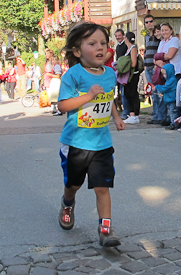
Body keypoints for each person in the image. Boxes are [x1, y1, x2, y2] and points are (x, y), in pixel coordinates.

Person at [57, 22, 125, 247]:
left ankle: (105, 229)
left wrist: (116, 117)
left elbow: (108, 98)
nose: (100, 48)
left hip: (101, 143)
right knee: (73, 185)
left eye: (103, 43)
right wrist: (87, 96)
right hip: (76, 142)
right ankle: (68, 203)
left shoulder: (109, 73)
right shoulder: (73, 75)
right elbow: (63, 106)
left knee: (102, 187)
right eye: (92, 43)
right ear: (77, 51)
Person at [143, 15, 165, 124]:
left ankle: (161, 116)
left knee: (159, 92)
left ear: (154, 22)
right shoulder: (146, 36)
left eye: (151, 21)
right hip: (148, 67)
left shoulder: (158, 35)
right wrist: (144, 65)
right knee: (153, 93)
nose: (149, 24)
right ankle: (155, 115)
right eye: (146, 22)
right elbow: (146, 51)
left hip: (156, 68)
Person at [122, 32, 141, 124]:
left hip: (133, 74)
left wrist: (124, 66)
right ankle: (131, 113)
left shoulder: (133, 49)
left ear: (126, 38)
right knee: (127, 93)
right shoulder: (128, 49)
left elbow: (133, 63)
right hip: (128, 74)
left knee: (133, 93)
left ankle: (135, 115)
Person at [154, 63, 179, 129]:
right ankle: (171, 122)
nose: (164, 76)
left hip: (172, 99)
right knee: (170, 112)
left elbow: (166, 88)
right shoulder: (168, 80)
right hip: (168, 99)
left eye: (165, 74)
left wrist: (157, 87)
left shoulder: (172, 80)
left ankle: (174, 124)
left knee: (173, 112)